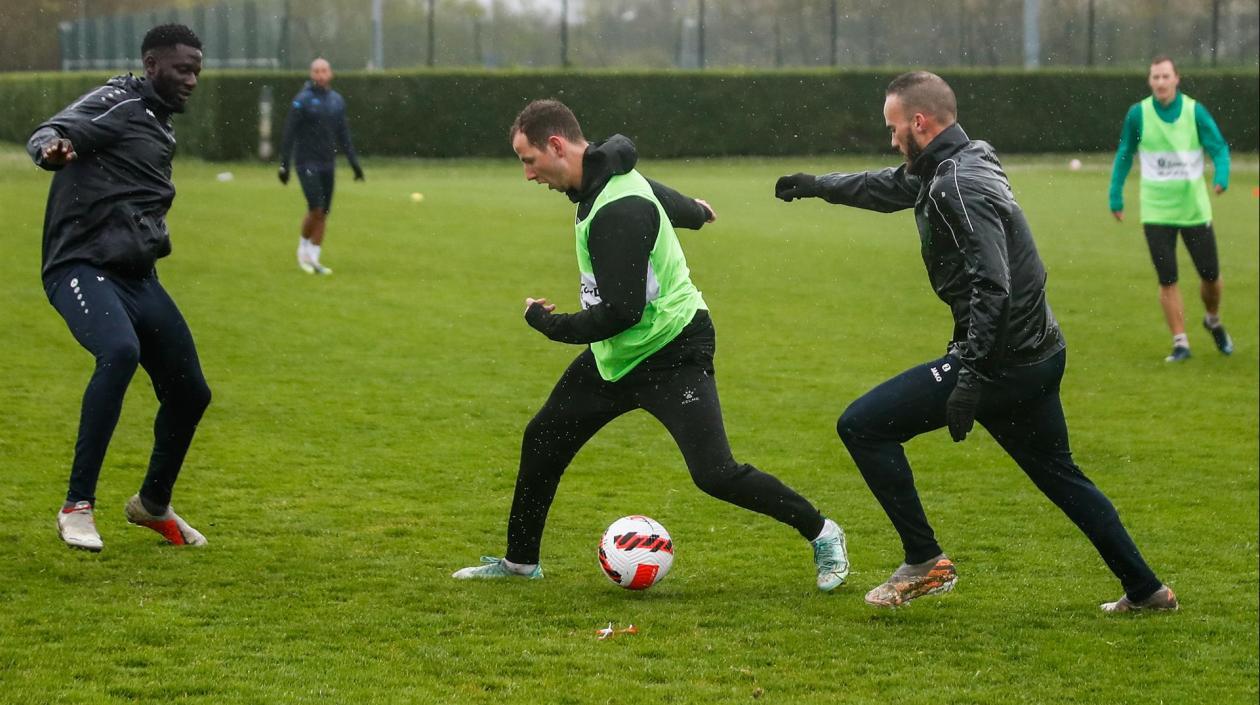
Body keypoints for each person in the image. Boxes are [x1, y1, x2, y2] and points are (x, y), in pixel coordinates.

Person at [774, 72, 1176, 613]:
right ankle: (1147, 590)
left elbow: (994, 285)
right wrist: (819, 185)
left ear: (920, 122)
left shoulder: (953, 185)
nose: (891, 138)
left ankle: (924, 561)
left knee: (862, 426)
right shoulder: (965, 158)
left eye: (895, 128)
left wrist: (972, 376)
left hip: (1003, 360)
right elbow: (890, 186)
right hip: (1039, 352)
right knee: (1063, 478)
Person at [452, 99, 849, 591]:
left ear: (556, 146)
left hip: (672, 351)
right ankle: (519, 563)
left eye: (528, 160)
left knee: (715, 473)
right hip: (618, 355)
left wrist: (545, 323)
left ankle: (823, 532)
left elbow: (622, 312)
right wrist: (696, 213)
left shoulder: (617, 209)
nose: (527, 174)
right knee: (543, 438)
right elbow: (660, 197)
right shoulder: (602, 177)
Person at [27, 24, 212, 552]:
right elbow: (51, 130)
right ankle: (76, 506)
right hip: (80, 267)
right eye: (183, 69)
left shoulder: (158, 120)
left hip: (136, 275)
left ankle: (153, 505)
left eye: (197, 70)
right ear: (152, 65)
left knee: (190, 392)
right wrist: (52, 150)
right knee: (119, 350)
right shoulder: (118, 101)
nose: (192, 80)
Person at [1109, 56, 1233, 363]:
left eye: (1165, 76)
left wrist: (1221, 176)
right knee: (1167, 278)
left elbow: (1218, 146)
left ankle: (1212, 319)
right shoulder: (1138, 114)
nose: (1161, 82)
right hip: (1157, 211)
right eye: (1155, 77)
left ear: (1177, 79)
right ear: (1150, 81)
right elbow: (1125, 152)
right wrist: (1116, 194)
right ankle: (1181, 343)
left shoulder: (1194, 111)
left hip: (1193, 209)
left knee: (1211, 277)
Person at [277, 57, 365, 275]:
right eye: (316, 71)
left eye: (324, 70)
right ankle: (303, 250)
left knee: (324, 212)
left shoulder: (337, 101)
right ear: (311, 74)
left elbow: (344, 135)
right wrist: (284, 165)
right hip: (306, 161)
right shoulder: (302, 100)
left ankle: (314, 260)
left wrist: (355, 164)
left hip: (328, 163)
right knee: (315, 208)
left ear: (330, 73)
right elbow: (289, 133)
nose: (320, 74)